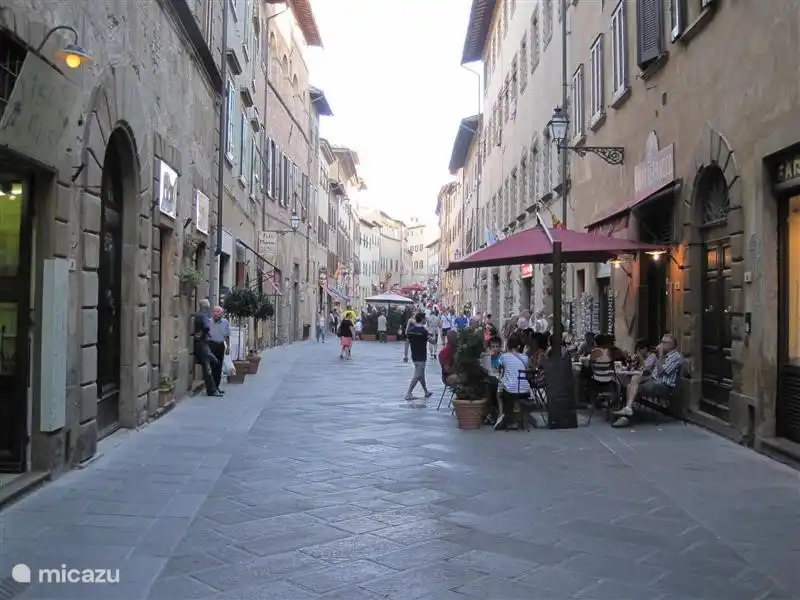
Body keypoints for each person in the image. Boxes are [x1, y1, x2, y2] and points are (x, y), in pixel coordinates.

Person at [612, 334, 683, 427]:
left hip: (662, 385)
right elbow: (654, 373)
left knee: (633, 387)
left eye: (663, 342)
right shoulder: (665, 356)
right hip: (653, 380)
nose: (660, 344)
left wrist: (660, 355)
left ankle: (626, 416)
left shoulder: (676, 356)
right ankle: (628, 409)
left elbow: (662, 372)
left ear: (670, 345)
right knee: (634, 380)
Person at [495, 333, 531, 430]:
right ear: (519, 346)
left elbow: (499, 368)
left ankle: (501, 413)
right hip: (525, 389)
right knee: (513, 388)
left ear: (507, 345)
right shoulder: (525, 358)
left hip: (510, 390)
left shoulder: (503, 357)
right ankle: (516, 417)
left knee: (499, 392)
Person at [193, 299, 222, 397]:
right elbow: (207, 327)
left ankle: (213, 388)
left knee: (207, 366)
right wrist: (204, 333)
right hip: (203, 343)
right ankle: (212, 390)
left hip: (199, 343)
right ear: (206, 307)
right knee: (208, 367)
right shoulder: (204, 316)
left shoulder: (197, 315)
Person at [403, 312, 433, 402]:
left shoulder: (411, 330)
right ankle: (408, 393)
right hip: (422, 355)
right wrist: (434, 336)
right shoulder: (423, 331)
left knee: (421, 374)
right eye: (425, 319)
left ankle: (426, 391)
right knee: (417, 375)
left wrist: (405, 355)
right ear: (423, 319)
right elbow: (432, 341)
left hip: (414, 355)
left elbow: (407, 343)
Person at [208, 306, 230, 393]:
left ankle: (217, 387)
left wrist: (228, 347)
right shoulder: (208, 322)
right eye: (214, 312)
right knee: (211, 367)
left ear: (222, 314)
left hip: (220, 346)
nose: (216, 314)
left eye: (218, 312)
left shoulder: (225, 322)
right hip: (211, 345)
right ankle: (211, 388)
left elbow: (227, 336)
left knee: (219, 367)